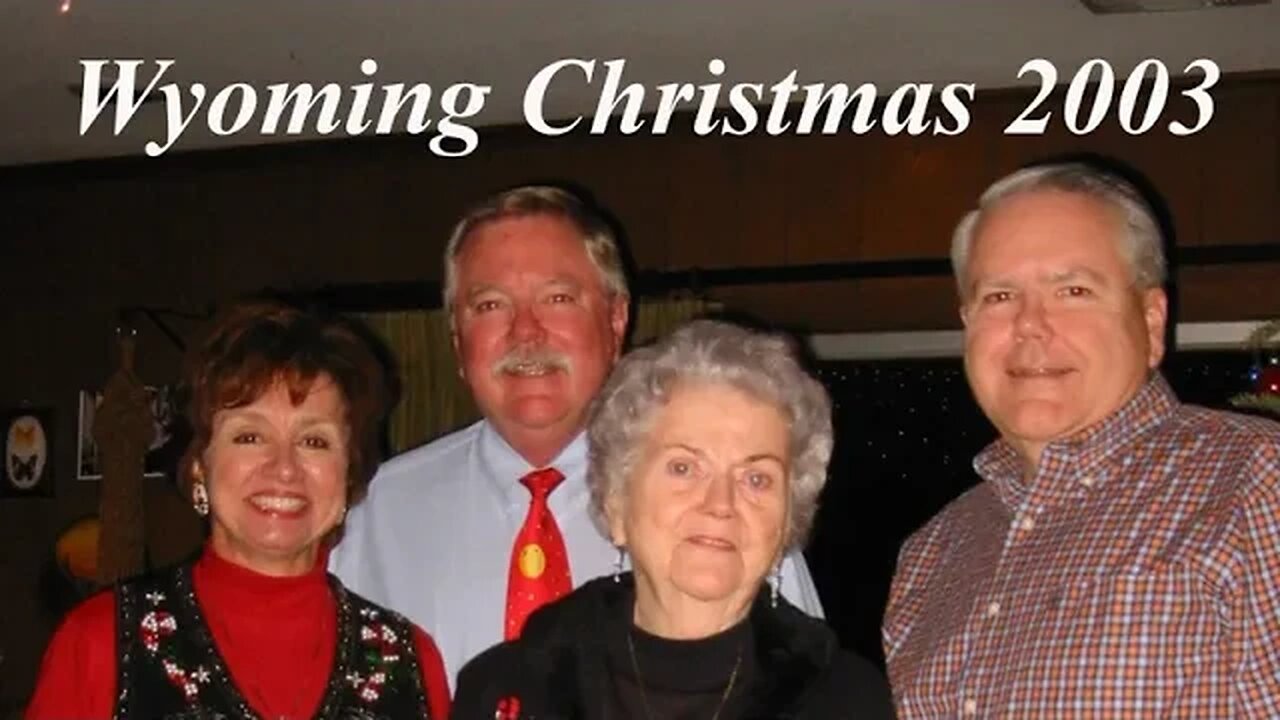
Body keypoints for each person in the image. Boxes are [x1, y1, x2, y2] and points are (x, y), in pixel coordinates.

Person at [331, 186, 825, 685]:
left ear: (616, 320)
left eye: (558, 298)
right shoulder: (377, 514)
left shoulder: (729, 509)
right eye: (490, 306)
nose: (526, 332)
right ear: (458, 343)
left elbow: (808, 694)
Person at [882, 162, 1280, 718]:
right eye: (999, 297)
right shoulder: (933, 553)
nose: (1030, 325)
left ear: (1151, 320)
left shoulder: (1257, 484)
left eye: (1073, 290)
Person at [26, 300, 451, 719]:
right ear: (198, 466)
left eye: (314, 441)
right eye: (250, 436)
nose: (284, 468)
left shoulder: (408, 661)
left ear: (349, 476)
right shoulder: (102, 641)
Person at [453, 319, 896, 719]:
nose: (720, 503)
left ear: (787, 521)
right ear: (616, 500)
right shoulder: (506, 692)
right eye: (683, 468)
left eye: (757, 478)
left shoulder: (848, 701)